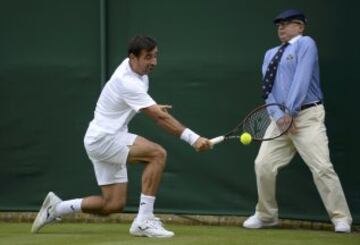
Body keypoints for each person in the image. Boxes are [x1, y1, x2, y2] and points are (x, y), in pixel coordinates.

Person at [31, 35, 212, 238]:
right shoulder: (128, 81)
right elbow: (160, 119)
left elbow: (138, 105)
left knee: (112, 204)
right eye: (148, 57)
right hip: (105, 139)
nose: (154, 62)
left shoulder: (138, 74)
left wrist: (151, 107)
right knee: (157, 154)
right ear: (132, 58)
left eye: (155, 56)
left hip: (99, 138)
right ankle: (143, 221)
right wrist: (193, 138)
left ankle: (57, 208)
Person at [242, 9, 353, 233]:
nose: (281, 27)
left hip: (307, 117)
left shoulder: (306, 44)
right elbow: (268, 89)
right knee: (262, 164)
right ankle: (266, 215)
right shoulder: (270, 53)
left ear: (300, 27)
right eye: (278, 25)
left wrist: (290, 113)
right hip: (280, 119)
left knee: (322, 167)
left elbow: (302, 79)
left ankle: (341, 218)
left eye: (287, 23)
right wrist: (278, 116)